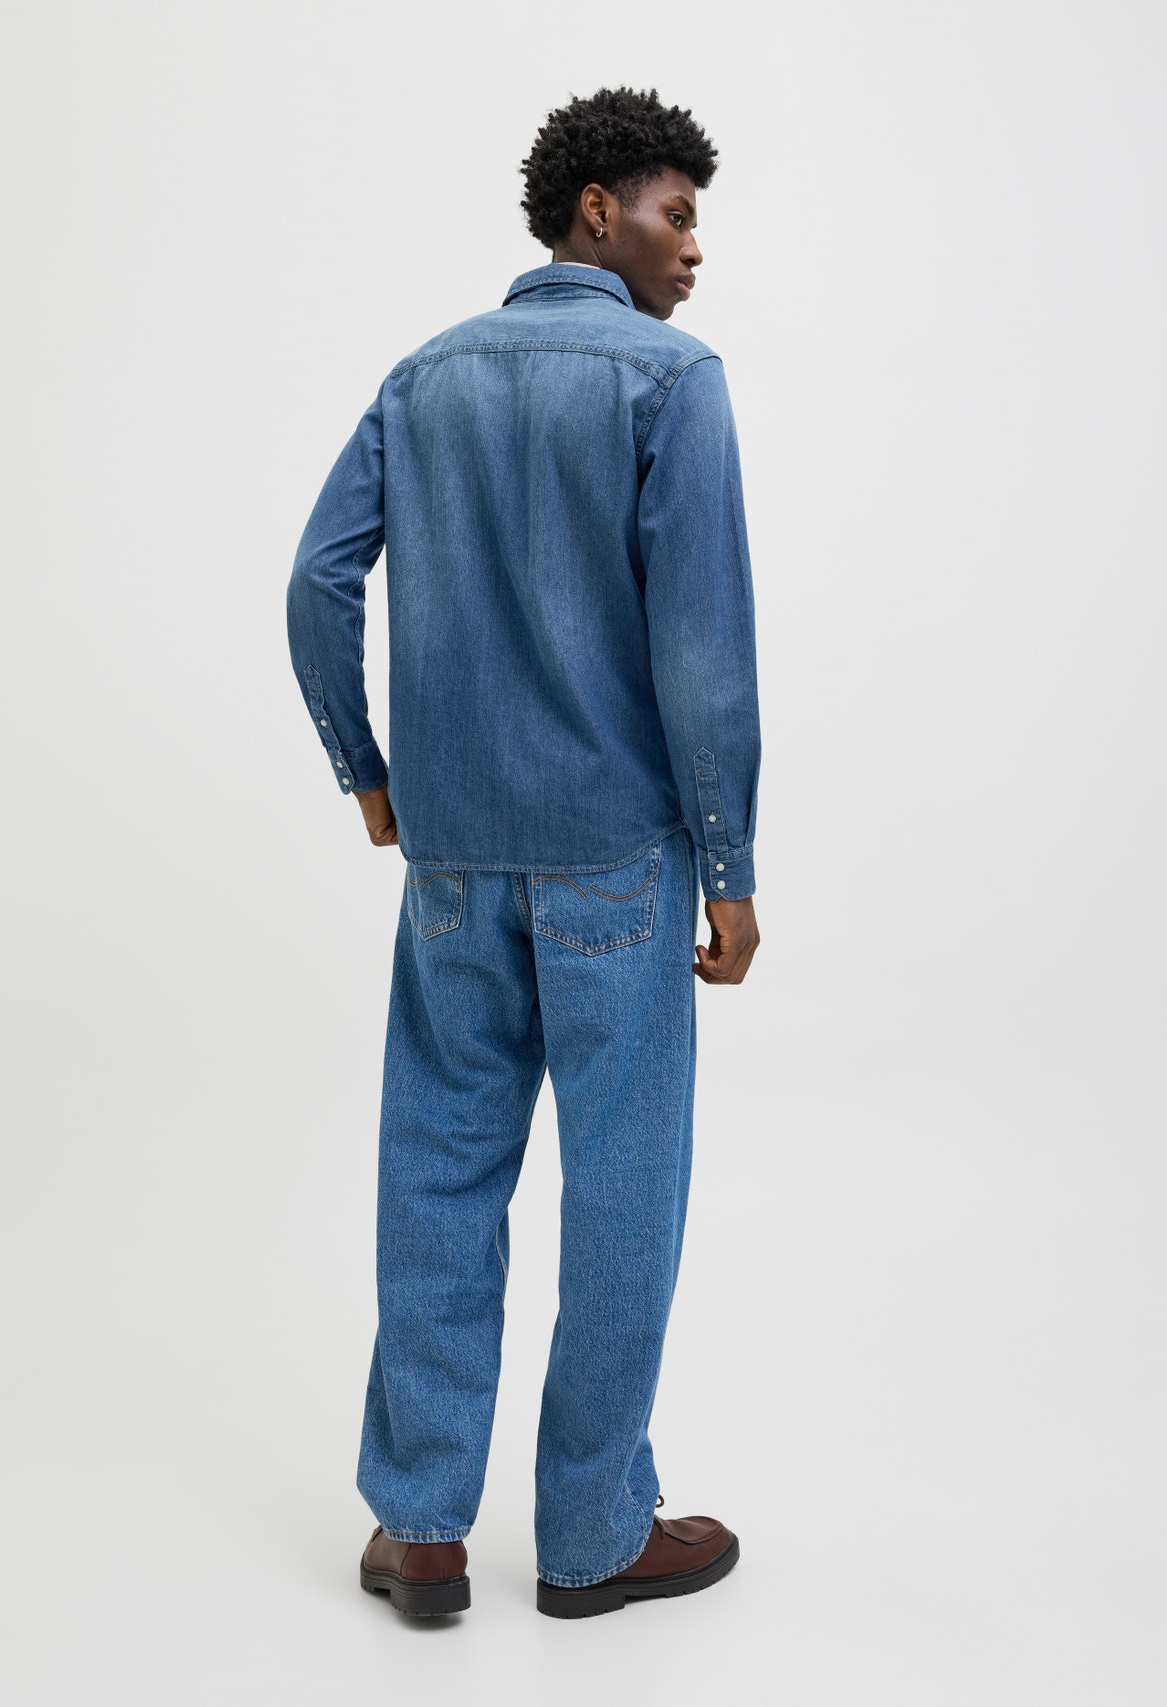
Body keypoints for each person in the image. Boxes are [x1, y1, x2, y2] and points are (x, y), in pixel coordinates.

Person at [286, 85, 761, 1620]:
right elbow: (703, 656)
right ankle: (593, 1534)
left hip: (453, 865)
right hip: (618, 860)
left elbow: (316, 582)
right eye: (675, 213)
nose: (694, 246)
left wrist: (368, 774)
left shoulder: (423, 378)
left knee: (438, 1169)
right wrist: (731, 866)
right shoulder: (672, 382)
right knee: (623, 1189)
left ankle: (422, 1528)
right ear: (595, 212)